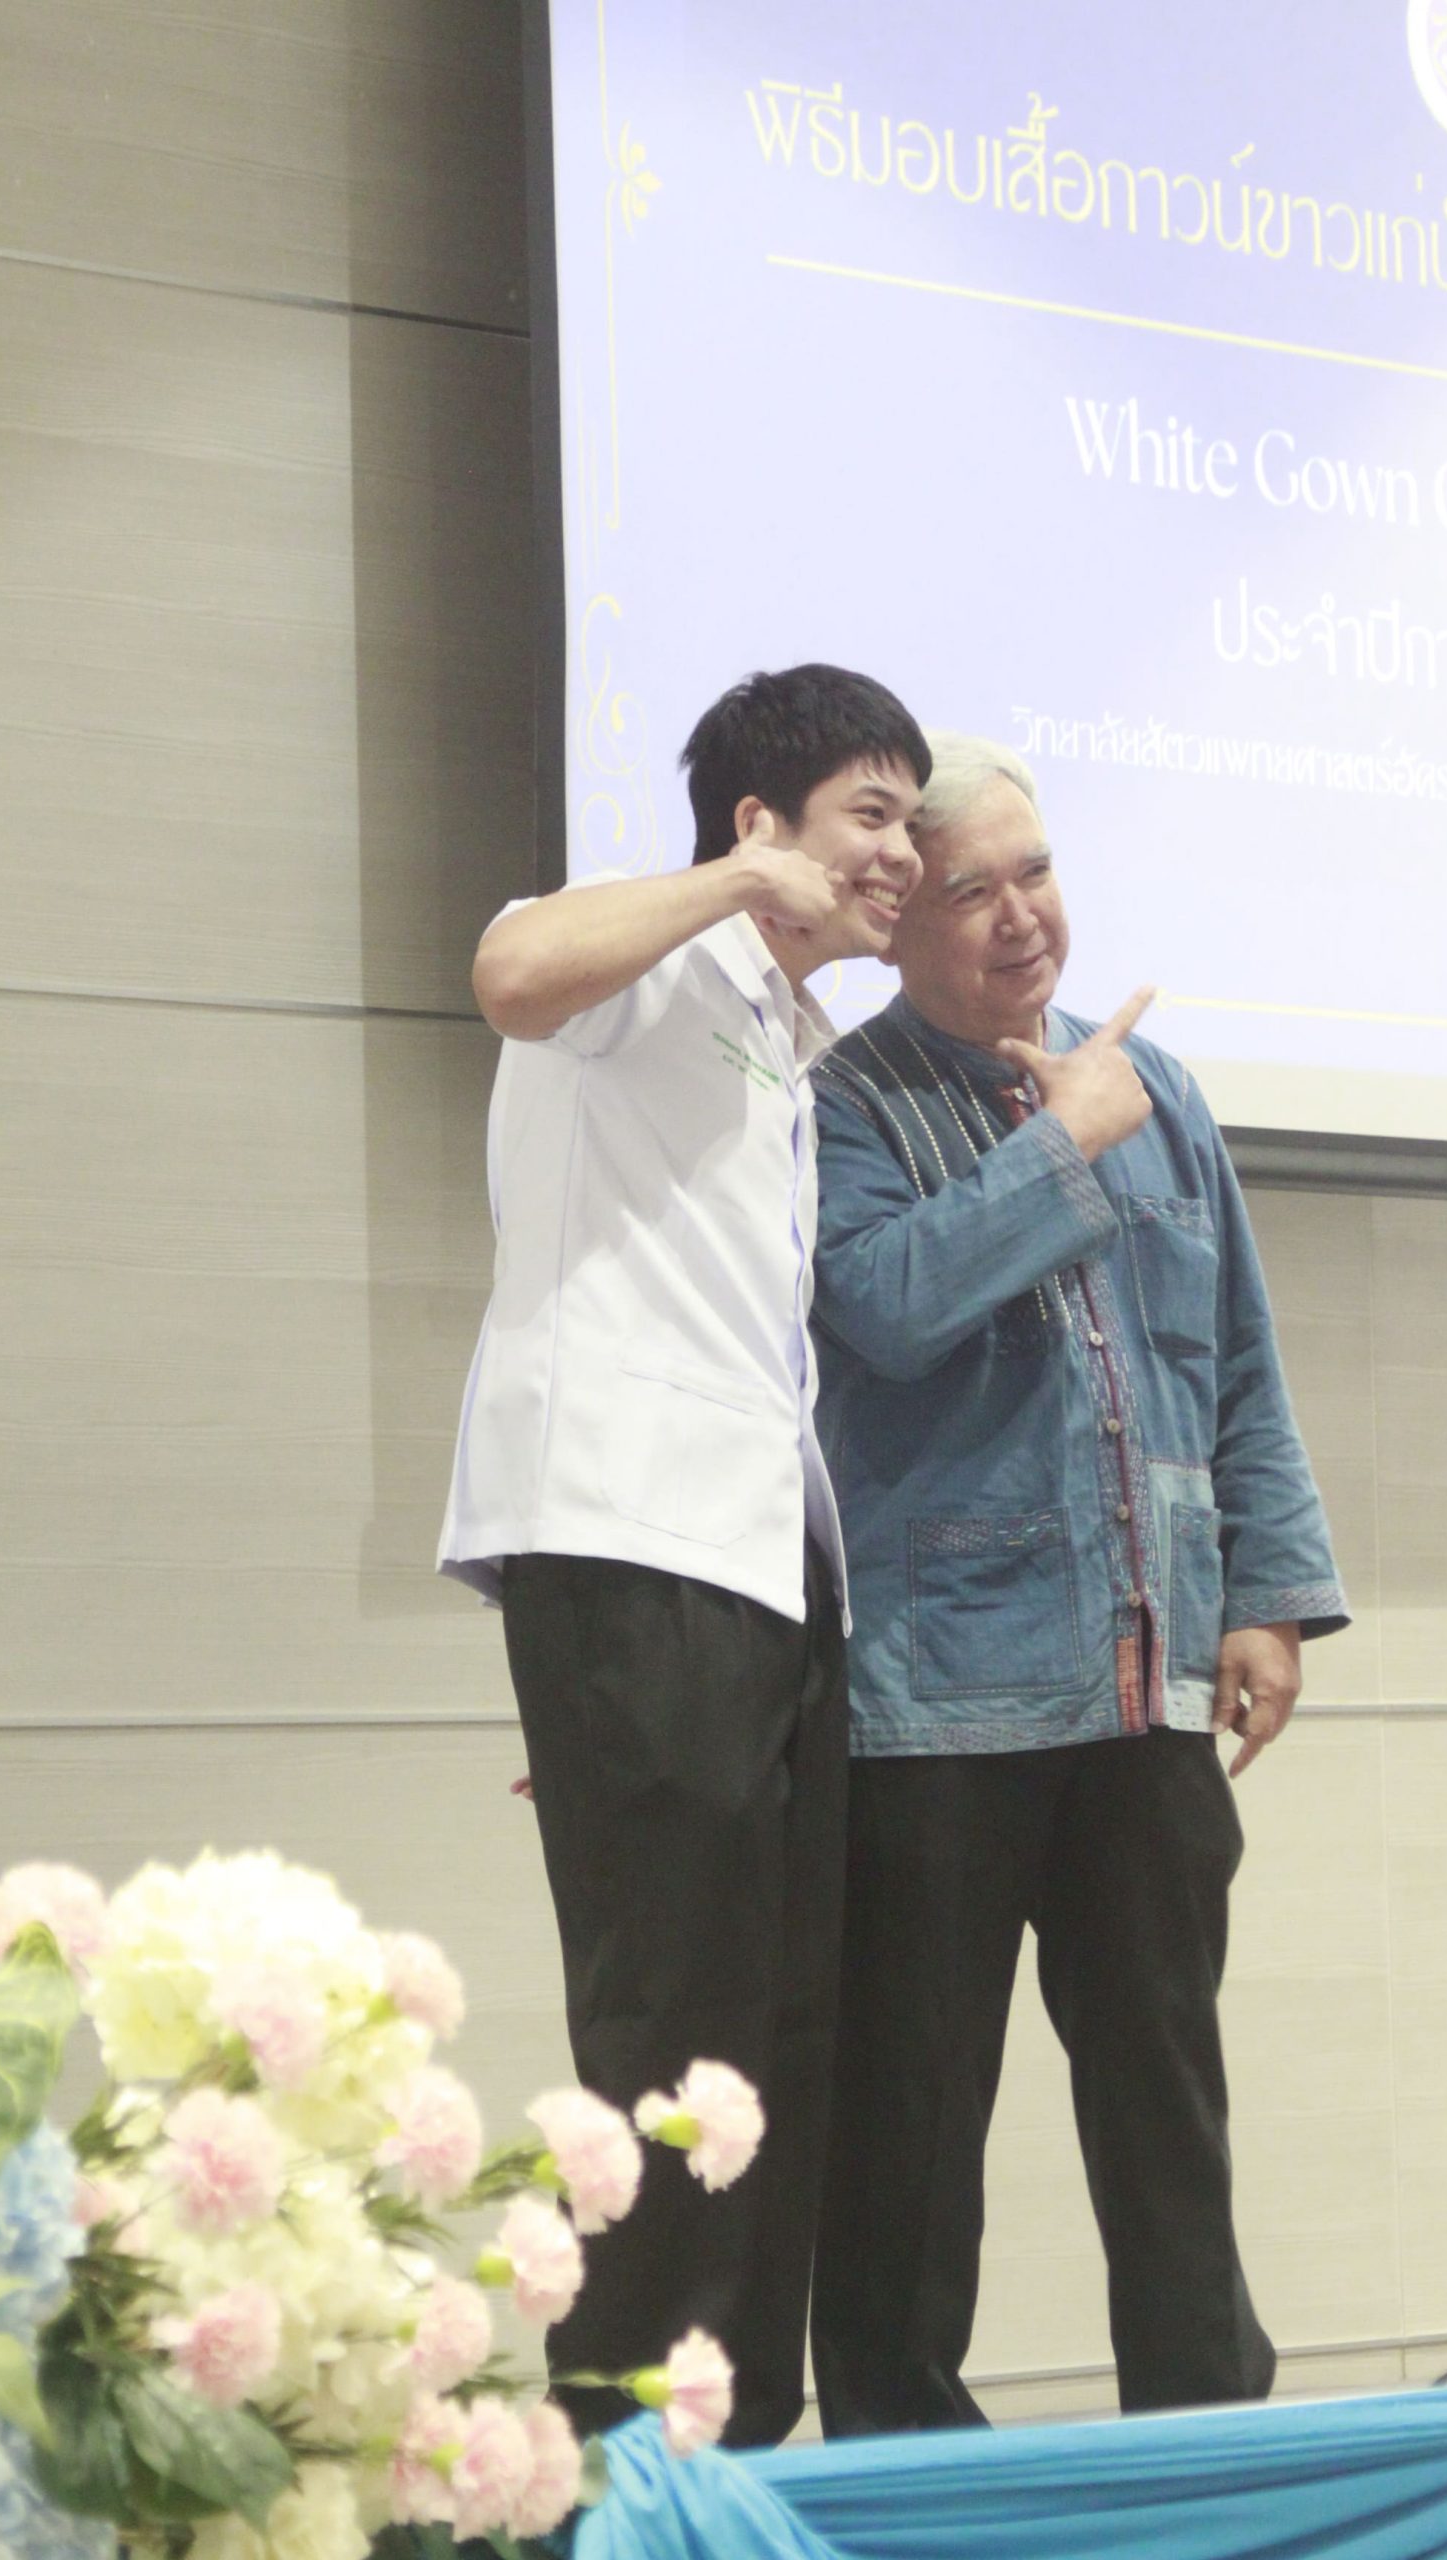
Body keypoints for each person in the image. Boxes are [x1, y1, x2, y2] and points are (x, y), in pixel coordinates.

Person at [805, 732, 1348, 2435]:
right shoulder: (840, 1101)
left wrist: (1266, 1597)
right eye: (970, 889)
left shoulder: (1158, 1086)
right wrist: (1061, 1148)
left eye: (1035, 872)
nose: (1020, 916)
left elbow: (1239, 1357)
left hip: (1145, 1682)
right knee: (908, 2135)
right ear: (896, 921)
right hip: (937, 1705)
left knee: (1168, 2108)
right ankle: (904, 2475)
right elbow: (885, 1306)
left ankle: (1207, 2449)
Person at [437, 666, 928, 2447]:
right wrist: (728, 889)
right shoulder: (651, 954)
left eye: (910, 821)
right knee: (668, 2025)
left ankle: (736, 2437)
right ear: (759, 820)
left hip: (763, 1572)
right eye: (871, 814)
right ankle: (628, 2456)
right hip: (631, 1538)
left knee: (776, 2027)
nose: (902, 854)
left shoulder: (789, 1040)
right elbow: (509, 972)